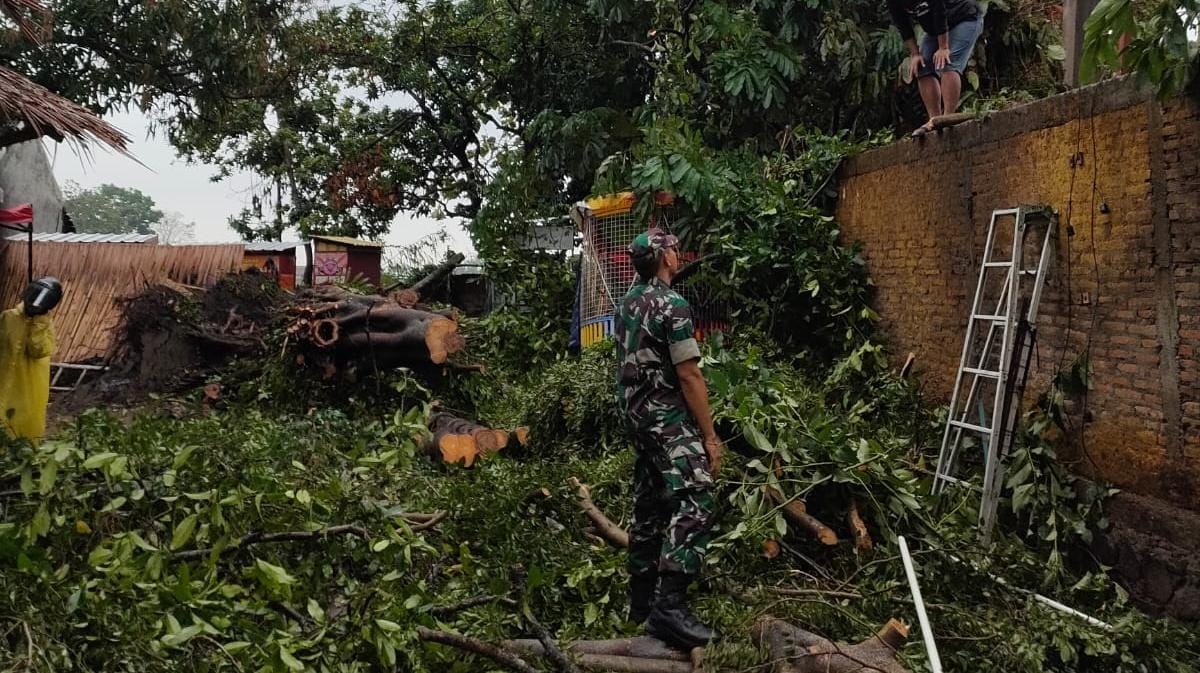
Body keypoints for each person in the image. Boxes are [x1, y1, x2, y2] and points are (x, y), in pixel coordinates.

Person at [615, 228, 722, 650]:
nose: (679, 253)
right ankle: (669, 608)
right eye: (675, 248)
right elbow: (689, 373)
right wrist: (710, 437)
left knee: (651, 500)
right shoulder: (672, 305)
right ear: (664, 258)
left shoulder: (629, 300)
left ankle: (640, 604)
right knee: (697, 495)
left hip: (635, 416)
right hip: (665, 417)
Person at [888, 0, 985, 136]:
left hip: (964, 18)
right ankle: (934, 120)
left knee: (947, 62)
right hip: (935, 29)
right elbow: (902, 25)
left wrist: (943, 47)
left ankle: (948, 117)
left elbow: (940, 10)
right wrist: (915, 54)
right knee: (921, 66)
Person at [0, 277, 61, 443]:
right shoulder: (7, 318)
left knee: (25, 432)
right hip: (3, 381)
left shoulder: (45, 326)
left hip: (28, 388)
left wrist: (38, 324)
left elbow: (38, 350)